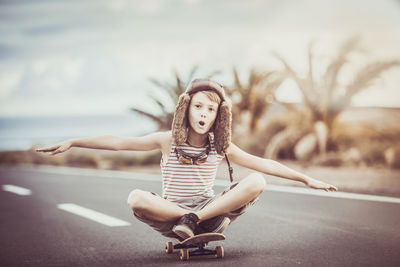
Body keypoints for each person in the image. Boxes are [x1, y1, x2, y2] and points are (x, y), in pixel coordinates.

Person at [36, 78, 338, 241]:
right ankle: (187, 221)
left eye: (211, 110)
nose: (204, 114)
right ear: (186, 109)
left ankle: (196, 220)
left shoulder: (222, 146)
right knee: (135, 197)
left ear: (219, 116)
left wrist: (306, 178)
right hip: (172, 217)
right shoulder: (166, 141)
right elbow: (118, 142)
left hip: (210, 212)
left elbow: (266, 165)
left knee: (257, 181)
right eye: (199, 107)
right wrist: (74, 142)